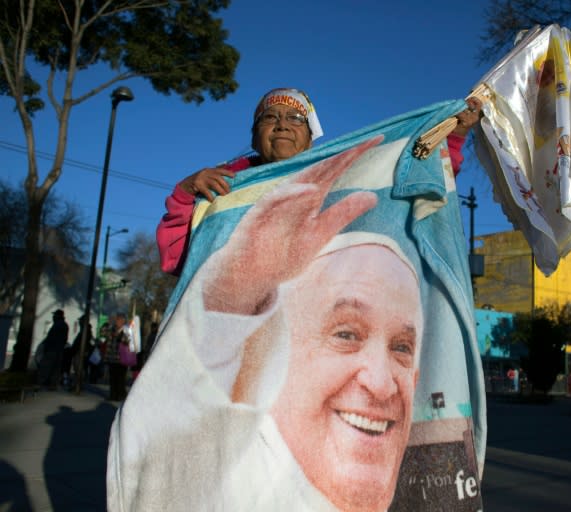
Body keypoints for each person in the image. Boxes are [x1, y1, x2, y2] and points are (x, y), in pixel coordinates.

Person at [109, 138, 429, 511]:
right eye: (345, 334)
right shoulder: (224, 479)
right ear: (281, 357)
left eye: (402, 347)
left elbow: (426, 185)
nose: (379, 383)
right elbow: (160, 447)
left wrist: (446, 137)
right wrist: (187, 204)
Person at [155, 87, 482, 275]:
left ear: (311, 139)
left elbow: (410, 185)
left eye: (296, 119)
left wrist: (454, 134)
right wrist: (185, 194)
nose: (282, 125)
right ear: (254, 137)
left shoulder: (341, 178)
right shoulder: (222, 186)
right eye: (270, 117)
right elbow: (178, 257)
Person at [36, 309, 69, 389]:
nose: (53, 317)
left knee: (46, 367)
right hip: (59, 349)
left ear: (58, 316)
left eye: (55, 315)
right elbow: (64, 339)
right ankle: (53, 384)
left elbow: (51, 338)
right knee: (56, 368)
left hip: (52, 349)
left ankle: (41, 383)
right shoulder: (64, 325)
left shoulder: (57, 325)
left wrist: (46, 347)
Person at [104, 313, 131, 401]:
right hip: (111, 357)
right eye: (117, 319)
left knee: (120, 379)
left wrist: (120, 336)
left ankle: (120, 395)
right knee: (112, 378)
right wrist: (110, 328)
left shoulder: (126, 330)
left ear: (123, 321)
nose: (118, 321)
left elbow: (128, 341)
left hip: (122, 359)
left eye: (120, 320)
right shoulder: (111, 329)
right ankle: (113, 395)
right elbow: (103, 333)